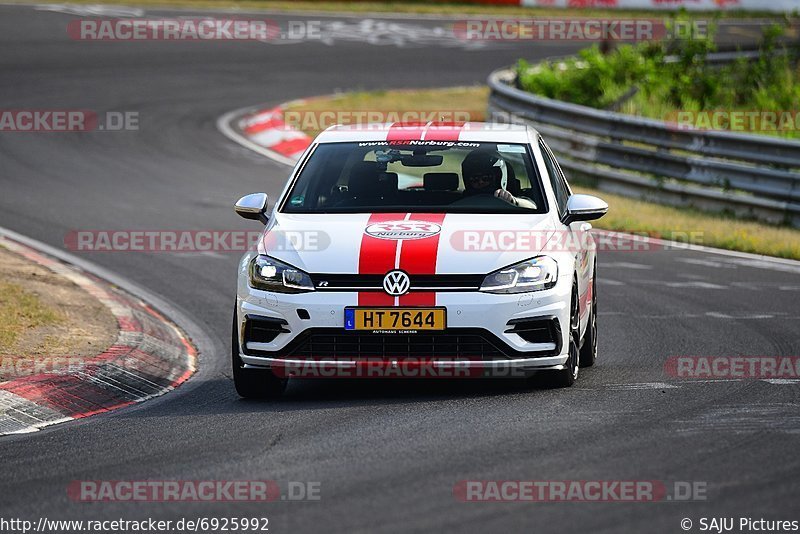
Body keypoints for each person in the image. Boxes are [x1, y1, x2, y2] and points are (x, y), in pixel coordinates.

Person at [461, 150, 537, 209]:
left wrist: (513, 201)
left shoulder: (511, 199)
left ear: (499, 177)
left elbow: (533, 207)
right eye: (475, 179)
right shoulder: (458, 201)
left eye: (486, 178)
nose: (480, 182)